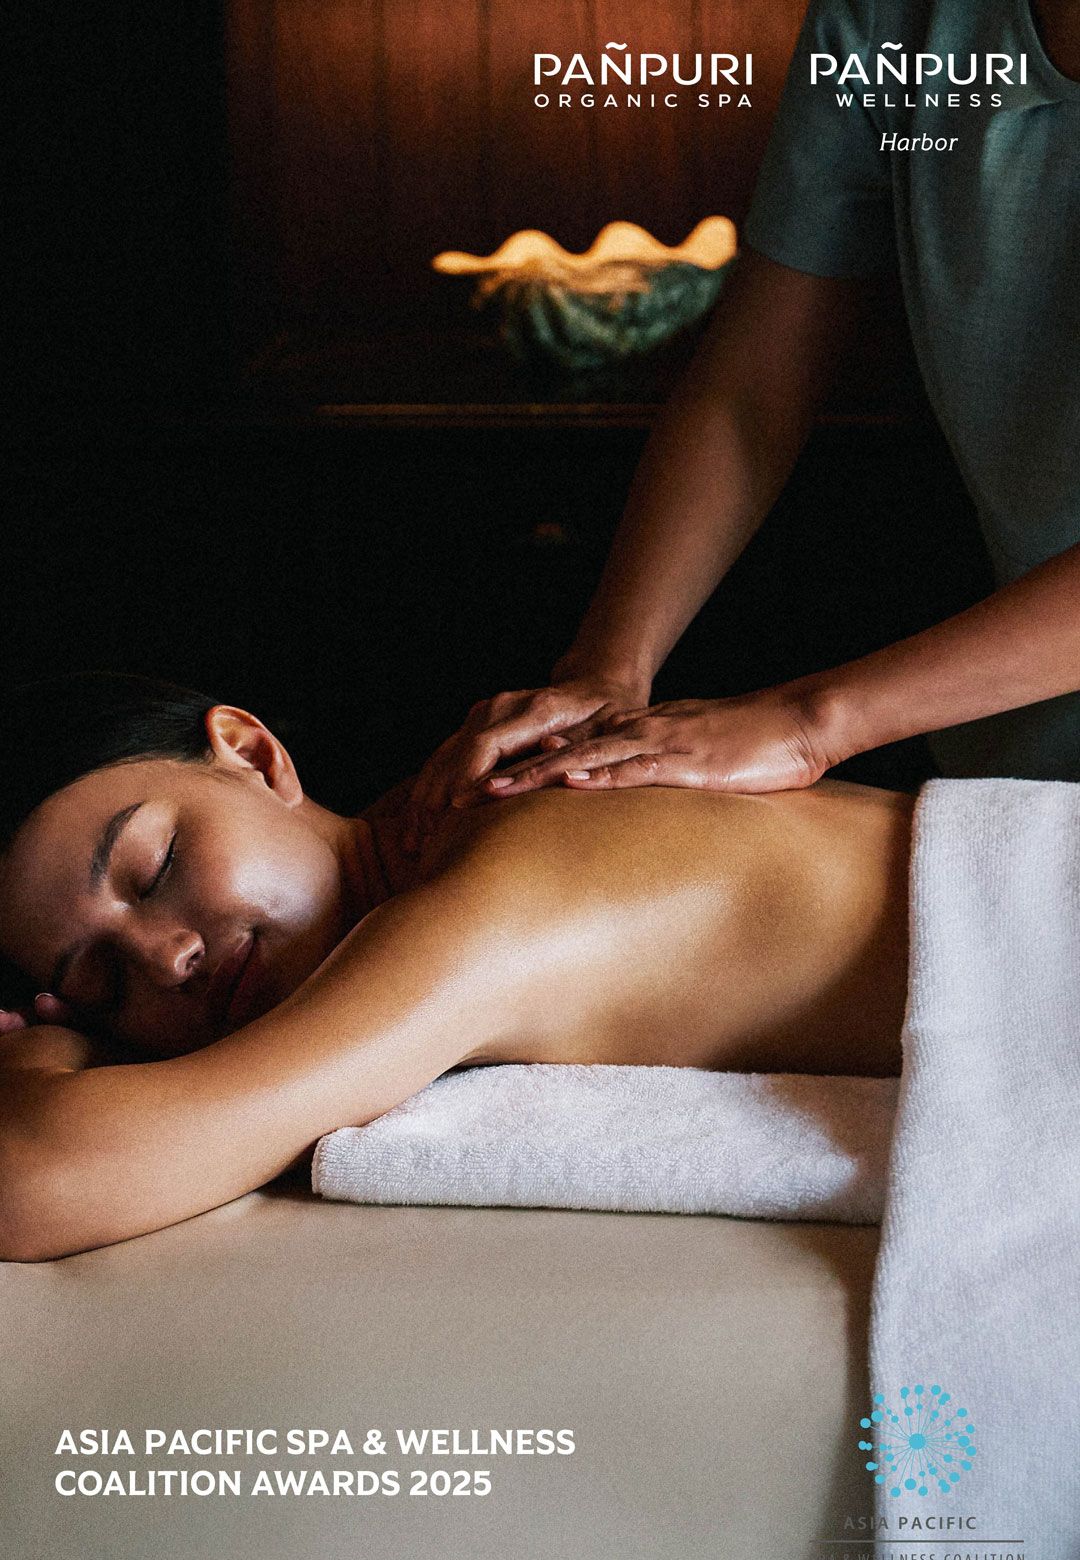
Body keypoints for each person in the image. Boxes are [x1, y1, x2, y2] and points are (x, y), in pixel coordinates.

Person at [405, 0, 1080, 839]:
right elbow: (749, 393)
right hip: (1012, 770)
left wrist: (810, 724)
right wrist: (606, 671)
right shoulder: (887, 22)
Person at [0, 672, 912, 1263]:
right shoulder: (446, 848)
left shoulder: (504, 879)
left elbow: (31, 1182)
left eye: (155, 868)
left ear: (253, 754)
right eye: (104, 985)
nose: (167, 960)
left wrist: (48, 1056)